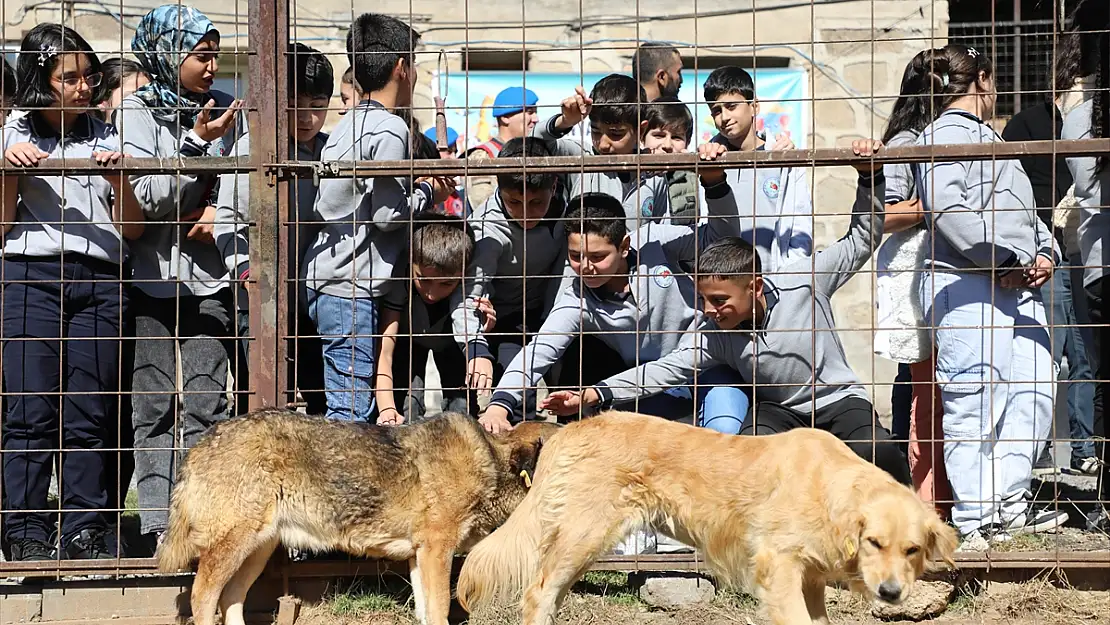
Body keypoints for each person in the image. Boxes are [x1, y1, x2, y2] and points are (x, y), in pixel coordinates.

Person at [545, 140, 912, 487]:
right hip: (778, 410)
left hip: (838, 400)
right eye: (703, 298)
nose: (708, 310)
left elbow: (862, 239)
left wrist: (869, 177)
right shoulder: (714, 336)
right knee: (748, 461)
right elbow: (663, 369)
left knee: (875, 452)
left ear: (753, 287)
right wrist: (595, 393)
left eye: (719, 300)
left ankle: (917, 519)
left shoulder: (805, 282)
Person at [478, 142, 751, 437]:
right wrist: (500, 404)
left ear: (624, 246)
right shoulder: (576, 297)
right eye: (575, 256)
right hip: (644, 384)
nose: (585, 267)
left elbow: (722, 241)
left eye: (597, 257)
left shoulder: (655, 242)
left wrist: (714, 183)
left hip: (708, 367)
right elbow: (539, 350)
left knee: (724, 435)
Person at [1, 23, 144, 561]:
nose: (84, 87)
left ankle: (86, 528)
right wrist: (8, 173)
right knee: (30, 410)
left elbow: (130, 229)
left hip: (101, 279)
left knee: (90, 411)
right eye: (70, 78)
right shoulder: (13, 132)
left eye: (88, 76)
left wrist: (121, 182)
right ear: (42, 81)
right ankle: (27, 531)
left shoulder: (108, 133)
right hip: (29, 276)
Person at [914, 44, 1066, 548]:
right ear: (983, 79)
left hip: (1019, 286)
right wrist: (998, 260)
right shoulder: (940, 136)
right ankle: (978, 518)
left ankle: (1010, 503)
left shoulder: (992, 138)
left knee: (1034, 390)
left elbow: (1026, 215)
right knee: (975, 400)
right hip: (966, 285)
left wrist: (1045, 251)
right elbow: (946, 209)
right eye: (993, 81)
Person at [115, 3, 244, 554]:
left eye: (215, 55)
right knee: (152, 407)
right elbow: (144, 201)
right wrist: (193, 147)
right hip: (150, 281)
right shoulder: (137, 115)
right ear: (168, 54)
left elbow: (247, 182)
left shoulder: (226, 110)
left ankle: (205, 520)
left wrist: (220, 204)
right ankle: (158, 525)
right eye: (201, 55)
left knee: (207, 402)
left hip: (209, 279)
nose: (212, 66)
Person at [300, 12, 453, 422]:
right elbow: (387, 217)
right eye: (415, 63)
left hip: (326, 278)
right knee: (350, 411)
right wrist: (424, 190)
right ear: (402, 67)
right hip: (350, 285)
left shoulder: (348, 123)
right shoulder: (390, 129)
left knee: (342, 403)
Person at [214, 42, 332, 417]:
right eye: (296, 104)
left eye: (318, 106)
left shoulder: (332, 154)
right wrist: (246, 271)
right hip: (260, 298)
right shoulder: (253, 149)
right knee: (259, 401)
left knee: (321, 399)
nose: (307, 118)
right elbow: (227, 219)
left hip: (317, 301)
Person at [1003, 35, 1097, 477]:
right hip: (1044, 254)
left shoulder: (1095, 119)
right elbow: (1009, 191)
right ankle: (1036, 450)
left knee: (1083, 356)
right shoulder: (1025, 125)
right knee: (1047, 354)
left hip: (1084, 250)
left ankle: (1083, 449)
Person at [871, 50, 948, 518]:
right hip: (914, 271)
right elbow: (884, 215)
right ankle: (919, 494)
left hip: (935, 271)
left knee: (923, 387)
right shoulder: (907, 141)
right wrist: (935, 205)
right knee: (920, 392)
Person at [454, 137, 569, 421]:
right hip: (503, 322)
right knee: (517, 399)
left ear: (553, 187)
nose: (526, 212)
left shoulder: (567, 212)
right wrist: (475, 347)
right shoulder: (487, 231)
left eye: (536, 202)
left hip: (553, 315)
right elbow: (468, 294)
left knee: (571, 391)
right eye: (514, 202)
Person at [1061, 0, 1110, 532]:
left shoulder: (1076, 115)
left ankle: (1107, 497)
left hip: (1099, 266)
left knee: (1102, 381)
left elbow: (1082, 189)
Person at [375, 214, 496, 423]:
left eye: (446, 284)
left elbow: (470, 328)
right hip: (408, 344)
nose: (431, 293)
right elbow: (385, 351)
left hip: (452, 347)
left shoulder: (470, 287)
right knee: (407, 407)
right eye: (423, 279)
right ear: (411, 263)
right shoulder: (400, 281)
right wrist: (386, 408)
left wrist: (484, 327)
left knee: (461, 411)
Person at [704, 66, 813, 272]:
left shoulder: (782, 157)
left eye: (731, 106)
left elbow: (800, 224)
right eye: (716, 111)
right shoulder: (710, 162)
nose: (724, 117)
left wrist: (788, 278)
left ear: (754, 106)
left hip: (775, 280)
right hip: (723, 281)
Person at [533, 74, 670, 231]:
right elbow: (534, 143)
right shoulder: (580, 156)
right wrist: (564, 121)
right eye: (596, 131)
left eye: (616, 134)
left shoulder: (653, 174)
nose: (603, 144)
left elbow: (658, 230)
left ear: (642, 129)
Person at [463, 86, 540, 209]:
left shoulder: (535, 151)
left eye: (536, 112)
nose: (536, 119)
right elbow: (482, 204)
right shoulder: (484, 155)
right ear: (505, 117)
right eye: (530, 112)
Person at [641, 98, 699, 226]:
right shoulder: (632, 177)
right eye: (659, 136)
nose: (667, 145)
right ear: (641, 137)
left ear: (687, 142)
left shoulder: (696, 181)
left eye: (676, 137)